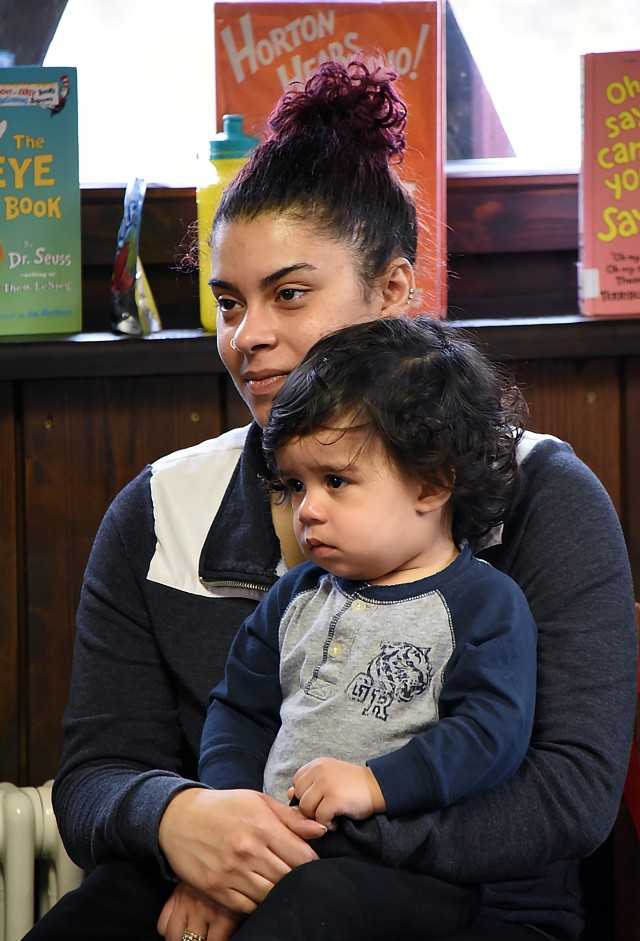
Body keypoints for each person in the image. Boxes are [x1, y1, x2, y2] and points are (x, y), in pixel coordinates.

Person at [24, 57, 636, 941]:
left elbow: (569, 793)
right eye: (229, 302)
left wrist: (293, 857)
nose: (249, 338)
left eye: (290, 294)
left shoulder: (541, 494)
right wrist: (180, 822)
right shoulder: (159, 509)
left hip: (469, 902)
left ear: (393, 290)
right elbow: (94, 777)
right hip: (208, 876)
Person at [158, 314, 538, 940]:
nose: (307, 509)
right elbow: (240, 712)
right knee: (120, 890)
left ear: (431, 482)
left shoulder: (483, 604)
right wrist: (231, 811)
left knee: (309, 906)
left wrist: (374, 785)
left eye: (336, 481)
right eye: (295, 485)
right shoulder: (294, 598)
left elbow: (491, 734)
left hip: (404, 875)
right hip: (272, 848)